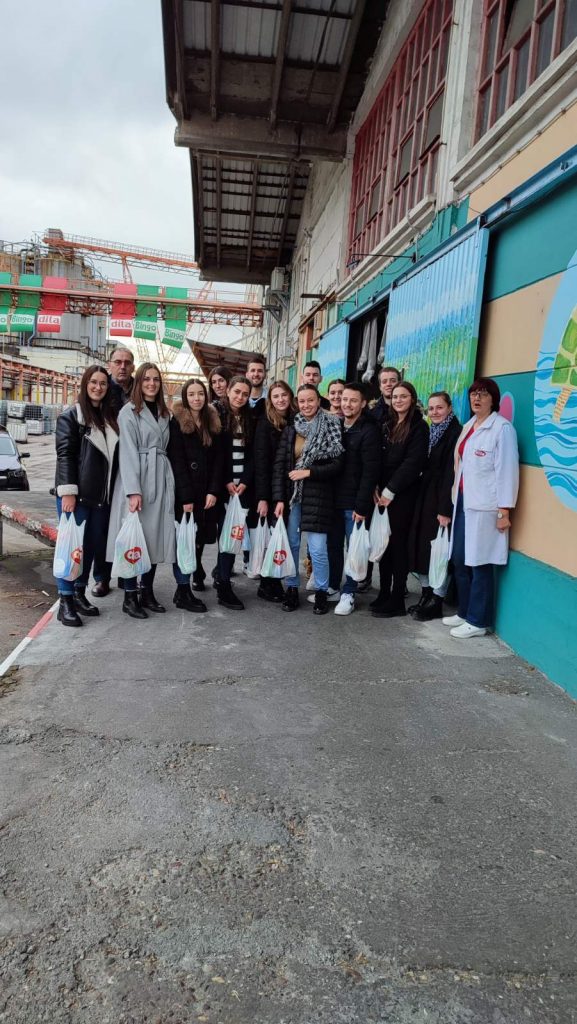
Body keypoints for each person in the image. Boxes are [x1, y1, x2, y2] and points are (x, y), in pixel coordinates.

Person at [444, 378, 519, 639]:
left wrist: (504, 511)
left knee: (480, 562)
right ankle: (465, 611)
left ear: (493, 399)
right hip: (463, 500)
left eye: (483, 394)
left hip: (486, 506)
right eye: (474, 394)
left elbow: (507, 472)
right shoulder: (469, 426)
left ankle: (478, 621)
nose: (477, 398)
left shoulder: (502, 429)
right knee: (459, 558)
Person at [106, 362, 176, 619]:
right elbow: (127, 452)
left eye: (156, 379)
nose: (151, 383)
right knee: (134, 540)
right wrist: (133, 491)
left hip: (160, 478)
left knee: (153, 538)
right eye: (146, 379)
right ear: (139, 382)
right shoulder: (128, 412)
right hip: (137, 481)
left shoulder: (165, 413)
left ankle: (147, 591)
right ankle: (129, 596)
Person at [53, 365, 119, 626]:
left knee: (90, 548)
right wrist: (68, 492)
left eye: (103, 383)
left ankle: (79, 593)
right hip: (77, 497)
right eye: (93, 382)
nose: (98, 387)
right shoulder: (71, 416)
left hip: (100, 498)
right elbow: (65, 456)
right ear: (85, 384)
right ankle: (65, 601)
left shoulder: (108, 417)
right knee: (71, 549)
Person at [272, 384, 344, 615]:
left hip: (320, 495)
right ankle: (292, 588)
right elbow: (280, 466)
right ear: (297, 403)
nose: (306, 405)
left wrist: (308, 472)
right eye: (302, 401)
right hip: (293, 496)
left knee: (318, 548)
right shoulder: (291, 429)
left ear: (318, 400)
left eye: (310, 400)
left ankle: (322, 591)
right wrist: (279, 499)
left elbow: (338, 465)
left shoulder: (332, 424)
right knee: (292, 544)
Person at [371, 381, 429, 618]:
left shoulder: (419, 427)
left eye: (403, 396)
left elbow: (413, 463)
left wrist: (390, 490)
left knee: (398, 546)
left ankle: (397, 599)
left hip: (402, 495)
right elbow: (378, 457)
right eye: (395, 397)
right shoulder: (388, 423)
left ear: (412, 399)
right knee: (384, 545)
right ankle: (384, 592)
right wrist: (376, 486)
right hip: (382, 493)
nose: (398, 400)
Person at [168, 378, 224, 611]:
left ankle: (189, 582)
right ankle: (182, 590)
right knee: (185, 542)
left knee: (199, 539)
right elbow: (177, 461)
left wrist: (213, 490)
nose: (196, 398)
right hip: (187, 494)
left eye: (200, 393)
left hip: (207, 493)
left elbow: (219, 460)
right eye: (191, 394)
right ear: (185, 397)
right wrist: (186, 498)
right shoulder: (177, 422)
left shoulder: (212, 421)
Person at [327, 383, 381, 616]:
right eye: (344, 399)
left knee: (354, 549)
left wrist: (361, 505)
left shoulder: (369, 430)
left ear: (363, 403)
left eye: (353, 400)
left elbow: (370, 472)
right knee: (333, 546)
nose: (347, 404)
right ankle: (332, 587)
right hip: (333, 499)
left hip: (354, 503)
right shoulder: (337, 425)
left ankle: (349, 593)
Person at [407, 392, 462, 620]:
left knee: (439, 552)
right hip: (425, 497)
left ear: (449, 408)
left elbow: (451, 474)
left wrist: (444, 510)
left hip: (441, 500)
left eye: (439, 407)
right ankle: (426, 594)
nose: (435, 412)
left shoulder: (455, 433)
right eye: (431, 408)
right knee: (423, 549)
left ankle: (437, 600)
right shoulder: (431, 431)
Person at [253, 380, 297, 603]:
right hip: (271, 488)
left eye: (284, 395)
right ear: (270, 400)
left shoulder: (295, 419)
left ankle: (275, 579)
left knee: (283, 535)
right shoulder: (265, 423)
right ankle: (266, 583)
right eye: (276, 396)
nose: (280, 400)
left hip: (290, 487)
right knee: (272, 537)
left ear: (290, 396)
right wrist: (263, 498)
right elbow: (261, 463)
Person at [214, 375, 255, 610]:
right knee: (226, 537)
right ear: (228, 390)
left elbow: (253, 454)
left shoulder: (250, 418)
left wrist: (245, 481)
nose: (240, 397)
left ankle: (222, 576)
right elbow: (217, 454)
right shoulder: (217, 415)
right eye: (237, 392)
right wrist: (227, 481)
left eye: (245, 394)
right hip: (224, 488)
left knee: (234, 535)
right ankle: (223, 584)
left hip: (242, 489)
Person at [360, 365, 402, 593]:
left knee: (394, 536)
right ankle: (365, 576)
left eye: (392, 380)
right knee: (368, 530)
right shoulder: (371, 413)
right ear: (379, 385)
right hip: (374, 482)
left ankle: (396, 584)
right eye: (384, 381)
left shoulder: (409, 412)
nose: (388, 384)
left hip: (397, 484)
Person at [108, 347, 135, 412]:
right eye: (117, 362)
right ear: (109, 365)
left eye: (127, 363)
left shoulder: (140, 389)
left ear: (133, 368)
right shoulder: (101, 388)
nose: (123, 367)